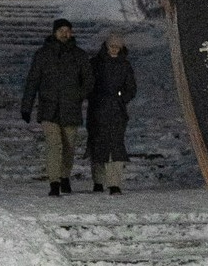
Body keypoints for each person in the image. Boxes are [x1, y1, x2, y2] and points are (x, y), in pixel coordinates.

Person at [20, 17, 92, 196]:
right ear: (54, 32)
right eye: (61, 30)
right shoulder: (43, 54)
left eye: (68, 30)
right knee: (54, 144)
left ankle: (64, 176)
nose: (65, 34)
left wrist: (78, 95)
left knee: (69, 146)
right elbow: (33, 81)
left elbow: (89, 80)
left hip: (70, 107)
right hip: (48, 107)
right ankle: (54, 182)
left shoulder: (79, 55)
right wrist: (26, 106)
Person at [87, 34, 137, 194]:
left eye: (117, 47)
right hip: (98, 109)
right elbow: (87, 84)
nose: (114, 49)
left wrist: (122, 98)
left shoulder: (125, 65)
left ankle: (114, 183)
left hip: (117, 110)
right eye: (112, 46)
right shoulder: (95, 64)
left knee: (115, 145)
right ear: (106, 47)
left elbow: (131, 87)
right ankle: (99, 180)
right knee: (98, 143)